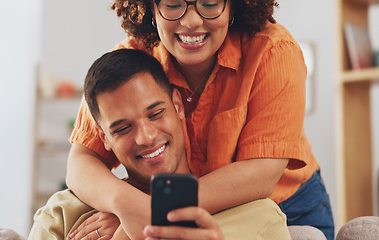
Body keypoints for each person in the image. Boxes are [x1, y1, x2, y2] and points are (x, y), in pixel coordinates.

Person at [67, 0, 334, 239]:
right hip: (178, 206)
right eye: (172, 5)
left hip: (286, 205)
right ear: (150, 8)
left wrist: (154, 210)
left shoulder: (274, 51)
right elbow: (81, 162)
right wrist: (126, 205)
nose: (191, 21)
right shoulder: (131, 61)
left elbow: (261, 175)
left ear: (233, 6)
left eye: (209, 3)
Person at [28, 48, 291, 240]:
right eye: (122, 128)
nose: (146, 137)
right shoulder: (65, 212)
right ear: (103, 138)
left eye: (155, 114)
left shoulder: (259, 218)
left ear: (178, 105)